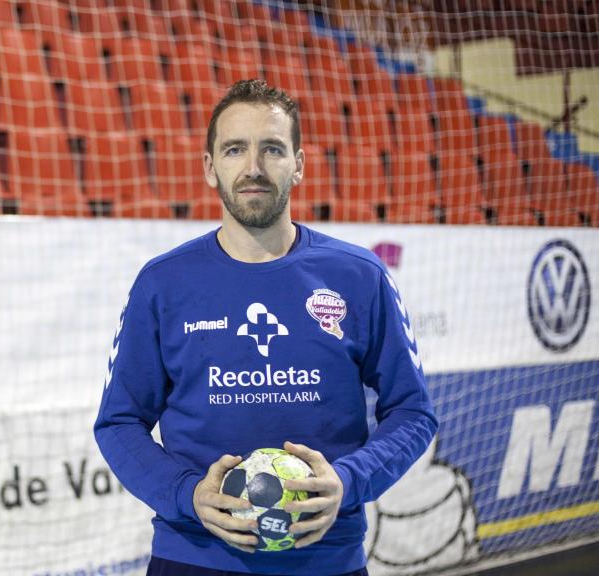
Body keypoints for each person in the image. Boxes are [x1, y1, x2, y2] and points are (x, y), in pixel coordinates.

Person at [93, 79, 438, 576]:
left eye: (272, 149)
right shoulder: (163, 283)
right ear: (210, 168)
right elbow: (119, 422)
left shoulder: (358, 277)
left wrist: (348, 480)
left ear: (299, 164)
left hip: (326, 560)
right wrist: (187, 493)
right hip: (193, 557)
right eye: (235, 149)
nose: (253, 168)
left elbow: (413, 411)